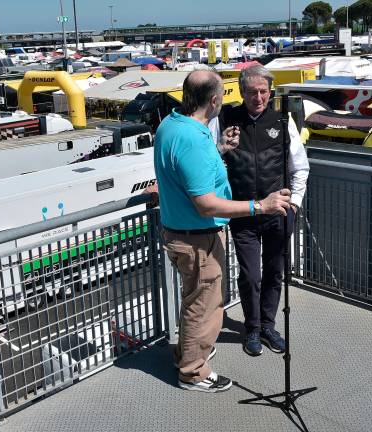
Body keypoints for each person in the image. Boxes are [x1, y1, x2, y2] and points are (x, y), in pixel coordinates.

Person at [153, 69, 291, 393]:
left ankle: (188, 353)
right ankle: (193, 371)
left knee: (194, 301)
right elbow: (206, 204)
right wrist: (260, 206)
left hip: (180, 232)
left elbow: (187, 170)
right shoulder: (192, 139)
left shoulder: (170, 124)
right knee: (204, 306)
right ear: (214, 100)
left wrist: (219, 149)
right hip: (197, 239)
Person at [218, 65, 310, 357]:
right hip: (243, 214)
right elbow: (211, 160)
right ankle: (253, 328)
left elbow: (300, 167)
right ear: (241, 92)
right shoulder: (225, 119)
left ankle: (268, 326)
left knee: (274, 272)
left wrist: (294, 204)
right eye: (251, 92)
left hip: (278, 215)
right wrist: (221, 147)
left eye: (263, 91)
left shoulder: (283, 120)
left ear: (270, 92)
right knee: (250, 276)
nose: (257, 97)